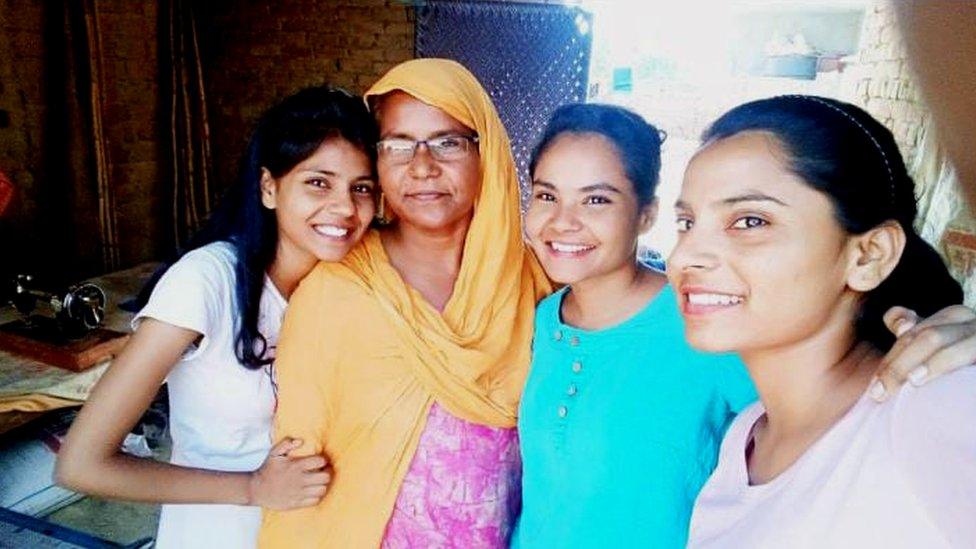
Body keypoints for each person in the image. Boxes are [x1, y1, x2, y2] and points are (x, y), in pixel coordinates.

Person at [55, 86, 379, 549]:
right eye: (318, 182)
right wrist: (252, 487)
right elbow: (81, 465)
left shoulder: (350, 285)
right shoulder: (206, 282)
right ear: (269, 187)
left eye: (361, 188)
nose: (345, 208)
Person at [259, 59, 550, 548]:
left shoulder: (531, 282)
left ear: (489, 153)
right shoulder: (338, 288)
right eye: (397, 144)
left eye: (448, 142)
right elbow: (298, 464)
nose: (422, 167)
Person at [675, 96, 976, 548]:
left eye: (751, 221)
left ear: (868, 255)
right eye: (687, 222)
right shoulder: (748, 436)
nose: (684, 257)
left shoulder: (928, 406)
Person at [515, 103, 754, 548]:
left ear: (646, 215)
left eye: (596, 200)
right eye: (547, 196)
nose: (563, 221)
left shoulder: (704, 324)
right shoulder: (544, 321)